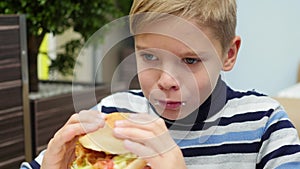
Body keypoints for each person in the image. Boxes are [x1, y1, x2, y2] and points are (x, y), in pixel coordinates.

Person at [21, 0, 300, 168]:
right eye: (150, 56)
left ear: (229, 53)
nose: (166, 81)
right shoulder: (110, 114)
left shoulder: (264, 123)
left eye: (190, 60)